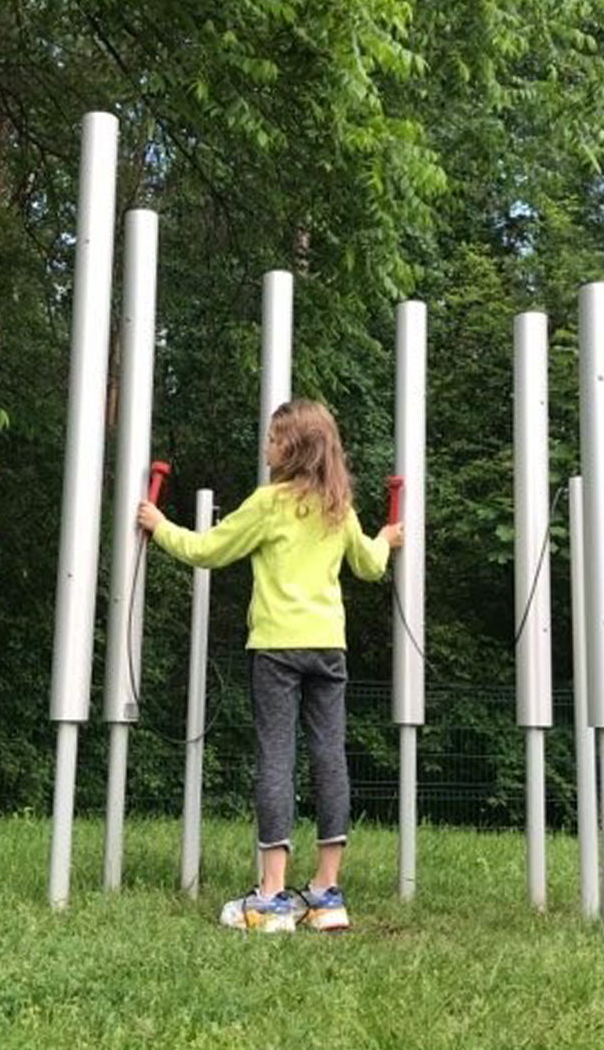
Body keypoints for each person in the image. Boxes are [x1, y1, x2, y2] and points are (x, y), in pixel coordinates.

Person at [137, 399, 403, 932]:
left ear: (294, 448)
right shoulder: (338, 507)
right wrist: (387, 538)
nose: (265, 446)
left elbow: (208, 549)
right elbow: (371, 567)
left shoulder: (268, 504)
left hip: (277, 649)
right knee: (330, 756)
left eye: (273, 438)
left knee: (276, 758)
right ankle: (327, 894)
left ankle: (273, 896)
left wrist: (159, 524)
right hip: (329, 647)